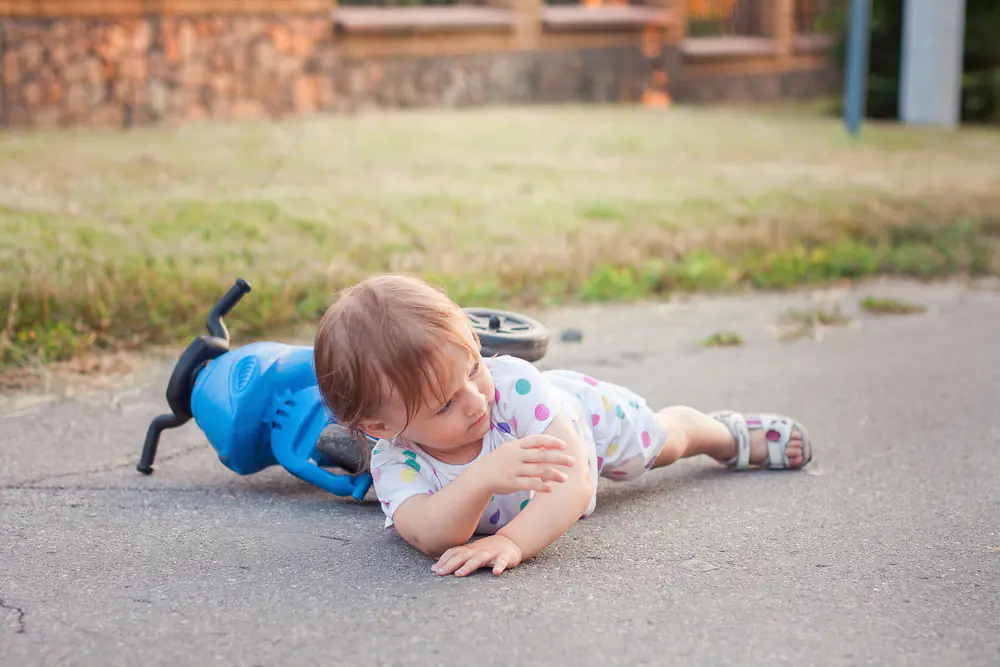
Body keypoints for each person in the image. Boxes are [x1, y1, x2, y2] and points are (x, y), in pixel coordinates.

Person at [313, 274, 813, 577]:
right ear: (381, 426)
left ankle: (721, 435)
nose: (474, 401)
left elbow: (574, 484)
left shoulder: (512, 390)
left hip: (580, 421)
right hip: (531, 472)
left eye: (473, 366)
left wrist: (513, 541)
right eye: (444, 405)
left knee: (661, 444)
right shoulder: (395, 460)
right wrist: (481, 479)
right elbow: (429, 534)